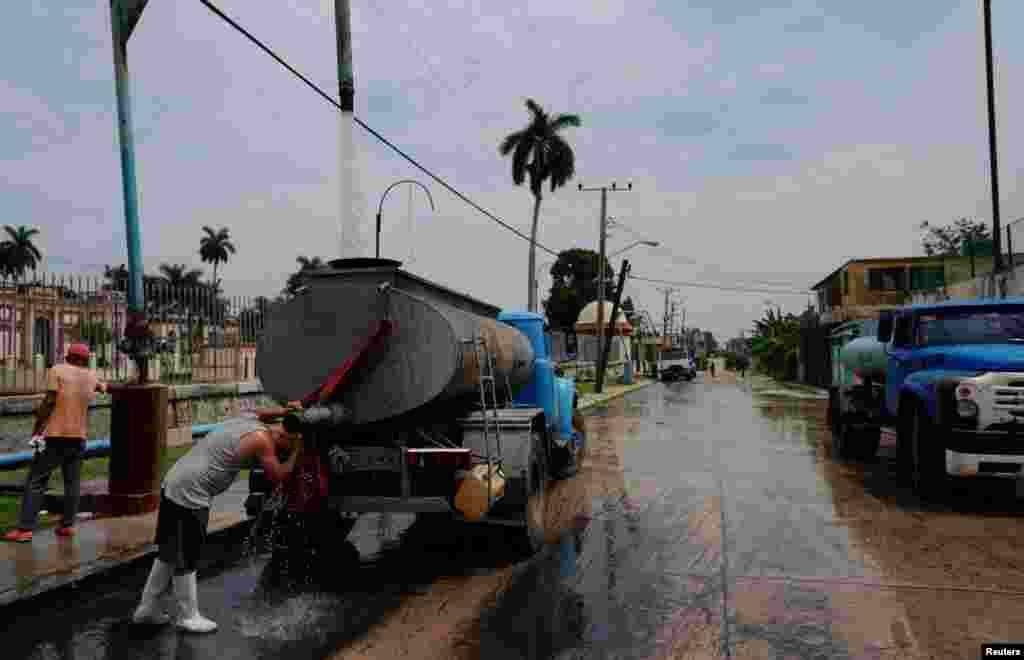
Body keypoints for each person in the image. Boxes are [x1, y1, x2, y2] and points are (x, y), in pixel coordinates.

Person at [131, 405, 304, 632]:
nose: (284, 450)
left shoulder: (250, 420)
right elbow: (280, 475)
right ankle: (188, 616)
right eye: (288, 446)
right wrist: (298, 451)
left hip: (176, 479)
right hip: (192, 490)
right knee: (188, 552)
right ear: (285, 437)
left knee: (169, 549)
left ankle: (147, 609)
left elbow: (258, 410)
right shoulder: (262, 440)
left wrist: (286, 409)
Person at [3, 343, 112, 544]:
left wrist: (37, 427)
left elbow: (50, 401)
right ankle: (68, 525)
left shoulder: (57, 370)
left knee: (36, 480)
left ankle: (25, 529)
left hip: (55, 435)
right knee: (72, 482)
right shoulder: (91, 376)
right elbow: (105, 387)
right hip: (78, 437)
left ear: (68, 356)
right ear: (86, 359)